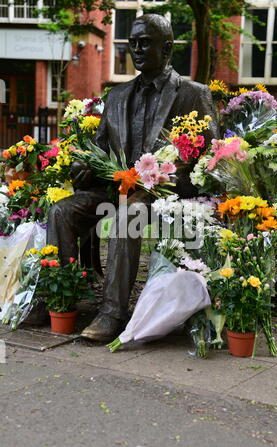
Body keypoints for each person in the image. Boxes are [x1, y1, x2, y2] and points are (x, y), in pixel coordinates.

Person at [46, 14, 219, 342]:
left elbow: (210, 163)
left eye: (145, 43)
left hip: (165, 196)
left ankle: (113, 312)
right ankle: (61, 299)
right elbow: (98, 152)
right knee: (61, 210)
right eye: (132, 42)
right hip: (116, 188)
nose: (135, 49)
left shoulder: (193, 95)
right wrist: (84, 169)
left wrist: (167, 181)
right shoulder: (116, 96)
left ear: (167, 48)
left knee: (128, 215)